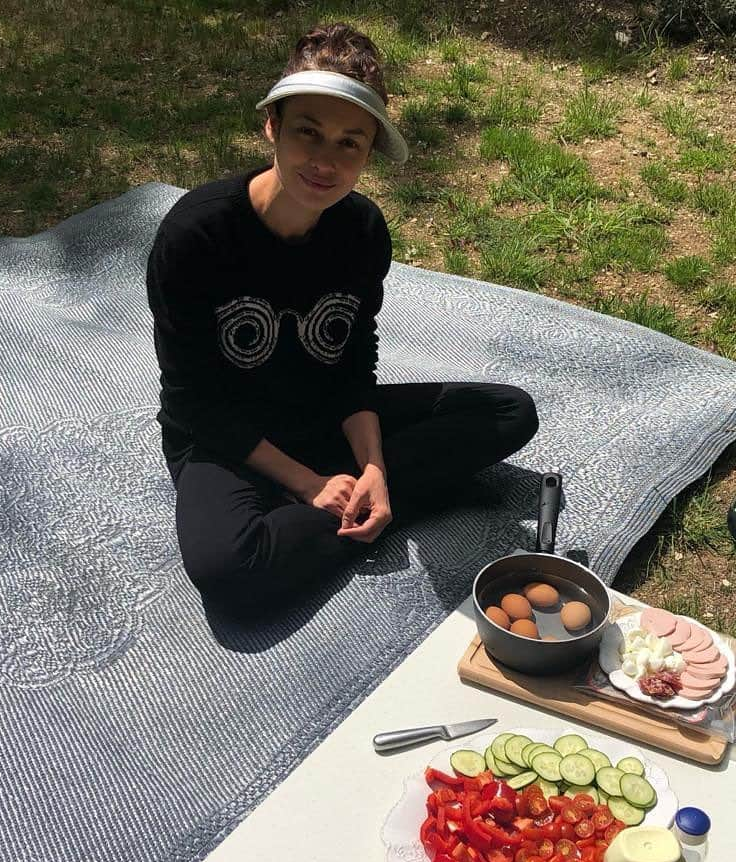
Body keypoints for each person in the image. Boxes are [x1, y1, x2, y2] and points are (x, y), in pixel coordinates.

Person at [147, 23, 539, 615]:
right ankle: (375, 504)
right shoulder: (196, 234)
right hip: (225, 436)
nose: (326, 161)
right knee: (230, 573)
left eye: (349, 143)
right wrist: (308, 484)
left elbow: (354, 364)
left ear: (369, 151)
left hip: (321, 416)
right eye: (309, 133)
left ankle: (368, 501)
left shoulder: (360, 230)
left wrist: (373, 467)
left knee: (510, 411)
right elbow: (192, 401)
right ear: (272, 126)